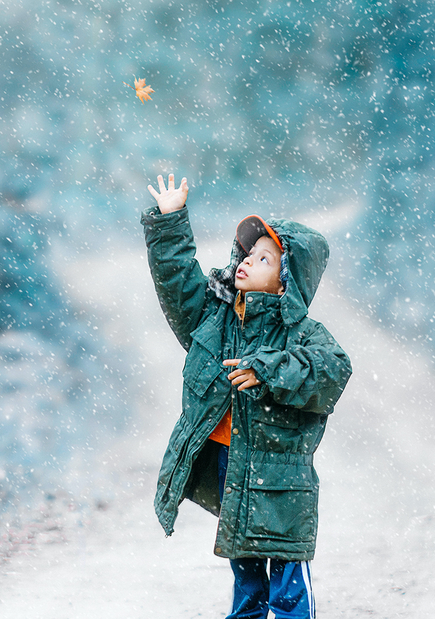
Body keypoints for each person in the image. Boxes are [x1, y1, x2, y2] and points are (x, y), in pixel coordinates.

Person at [141, 173, 352, 619]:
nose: (246, 262)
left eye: (264, 259)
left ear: (286, 283)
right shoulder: (215, 317)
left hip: (280, 473)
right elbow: (179, 283)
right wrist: (170, 220)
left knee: (288, 576)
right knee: (245, 566)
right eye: (247, 254)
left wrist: (268, 367)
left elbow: (333, 368)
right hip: (229, 460)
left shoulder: (300, 332)